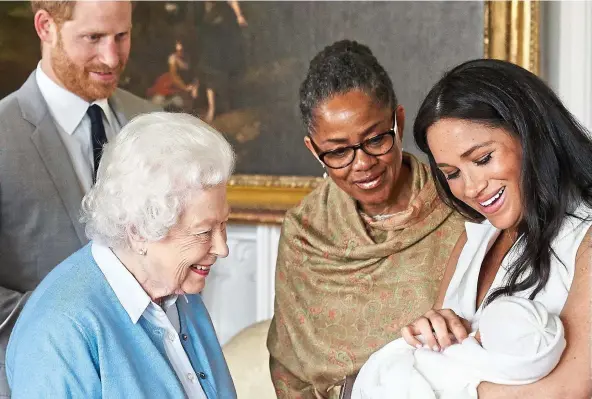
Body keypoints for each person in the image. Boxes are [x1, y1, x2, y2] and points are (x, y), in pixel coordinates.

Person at [266, 40, 466, 398]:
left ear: (398, 123)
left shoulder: (459, 206)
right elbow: (290, 369)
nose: (362, 164)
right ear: (314, 149)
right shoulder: (305, 232)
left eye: (375, 140)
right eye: (339, 151)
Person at [6, 112, 237, 398]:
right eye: (203, 232)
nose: (222, 248)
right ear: (140, 230)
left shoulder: (182, 293)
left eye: (224, 225)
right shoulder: (59, 332)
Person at [402, 58, 592, 398]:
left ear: (530, 134)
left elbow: (573, 388)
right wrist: (430, 335)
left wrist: (442, 386)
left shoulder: (585, 239)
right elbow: (446, 356)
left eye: (482, 158)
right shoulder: (473, 239)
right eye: (453, 173)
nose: (472, 187)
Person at [0, 1, 157, 393]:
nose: (111, 57)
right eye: (93, 38)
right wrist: (77, 322)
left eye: (122, 36)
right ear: (45, 27)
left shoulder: (153, 124)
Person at [353, 297, 566, 398]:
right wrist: (434, 329)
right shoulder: (474, 234)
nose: (477, 333)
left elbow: (570, 390)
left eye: (482, 335)